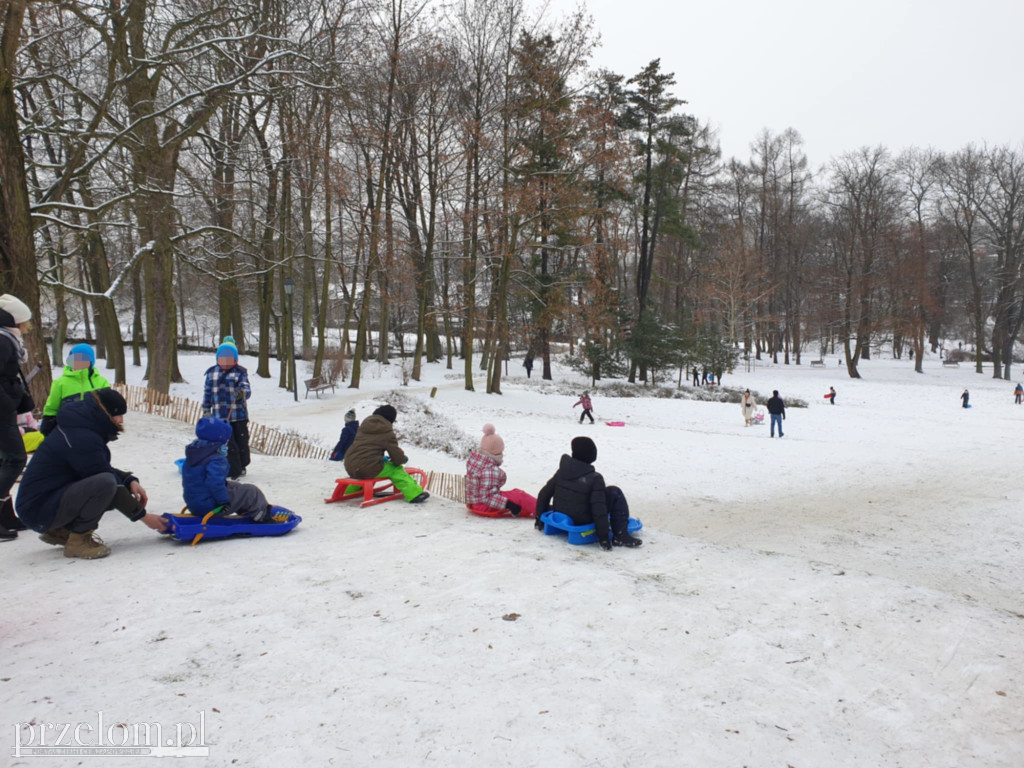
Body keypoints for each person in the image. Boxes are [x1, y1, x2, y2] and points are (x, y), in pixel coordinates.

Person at [14, 389, 166, 559]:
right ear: (105, 412)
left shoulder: (80, 428)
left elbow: (96, 467)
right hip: (39, 509)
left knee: (106, 482)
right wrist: (145, 517)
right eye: (118, 415)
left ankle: (61, 531)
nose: (121, 421)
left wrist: (129, 480)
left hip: (41, 503)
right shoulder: (81, 437)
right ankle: (78, 542)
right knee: (105, 485)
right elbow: (107, 481)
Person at [534, 436, 641, 549]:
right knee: (614, 492)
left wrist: (539, 517)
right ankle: (620, 536)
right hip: (582, 519)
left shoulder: (562, 471)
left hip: (561, 512)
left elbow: (544, 494)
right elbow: (598, 510)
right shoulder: (595, 479)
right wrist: (603, 538)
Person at [182, 417, 277, 522]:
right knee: (251, 491)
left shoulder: (195, 454)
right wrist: (223, 502)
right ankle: (260, 515)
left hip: (195, 503)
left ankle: (244, 508)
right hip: (211, 506)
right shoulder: (216, 458)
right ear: (221, 439)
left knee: (235, 486)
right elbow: (214, 482)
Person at [0, 295, 35, 540]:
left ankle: (6, 515)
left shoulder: (8, 339)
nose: (27, 326)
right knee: (15, 459)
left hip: (5, 408)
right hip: (1, 411)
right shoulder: (3, 341)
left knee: (5, 461)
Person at [343, 404, 429, 503]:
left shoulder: (363, 427)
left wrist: (379, 458)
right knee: (395, 469)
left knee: (362, 470)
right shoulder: (386, 431)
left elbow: (366, 449)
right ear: (390, 419)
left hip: (350, 464)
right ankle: (414, 494)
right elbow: (396, 456)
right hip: (368, 466)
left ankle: (350, 493)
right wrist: (402, 459)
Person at [465, 424, 537, 517]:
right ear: (495, 452)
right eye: (500, 451)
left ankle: (536, 505)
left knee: (514, 495)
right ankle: (542, 509)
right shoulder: (490, 470)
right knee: (519, 495)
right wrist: (509, 505)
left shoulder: (476, 462)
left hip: (475, 503)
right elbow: (487, 497)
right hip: (484, 505)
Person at [39, 342, 111, 436]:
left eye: (83, 358)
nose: (78, 362)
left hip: (94, 430)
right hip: (67, 430)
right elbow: (52, 407)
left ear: (91, 361)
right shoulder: (60, 383)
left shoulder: (101, 382)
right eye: (75, 358)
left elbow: (108, 406)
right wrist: (48, 423)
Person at [202, 343, 251, 479]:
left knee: (242, 443)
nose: (225, 361)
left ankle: (242, 465)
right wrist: (206, 409)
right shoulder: (212, 373)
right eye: (222, 358)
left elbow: (246, 388)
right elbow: (207, 392)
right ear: (217, 358)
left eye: (229, 358)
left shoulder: (240, 372)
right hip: (220, 417)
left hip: (238, 415)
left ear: (235, 359)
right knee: (229, 445)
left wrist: (242, 393)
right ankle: (232, 470)